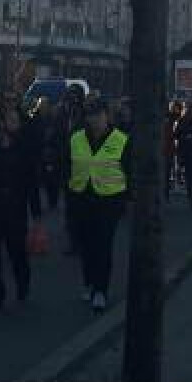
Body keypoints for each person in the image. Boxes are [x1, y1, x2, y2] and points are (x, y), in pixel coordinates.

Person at [0, 106, 40, 310]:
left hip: (15, 206)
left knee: (17, 251)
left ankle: (22, 281)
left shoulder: (24, 146)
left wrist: (35, 211)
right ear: (1, 122)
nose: (13, 123)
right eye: (9, 119)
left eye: (15, 120)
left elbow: (31, 181)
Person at [67, 101, 130, 313]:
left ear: (107, 116)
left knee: (103, 244)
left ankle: (101, 290)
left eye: (99, 115)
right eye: (91, 115)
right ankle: (89, 282)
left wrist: (128, 199)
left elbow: (129, 169)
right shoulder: (76, 138)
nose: (94, 120)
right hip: (82, 197)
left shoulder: (121, 139)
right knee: (86, 244)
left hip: (109, 200)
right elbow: (67, 164)